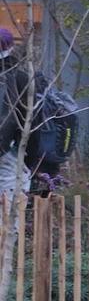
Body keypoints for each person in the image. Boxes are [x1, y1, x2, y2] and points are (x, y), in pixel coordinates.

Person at [0, 27, 31, 200]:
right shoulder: (21, 79)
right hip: (9, 151)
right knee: (11, 208)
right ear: (11, 48)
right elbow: (31, 121)